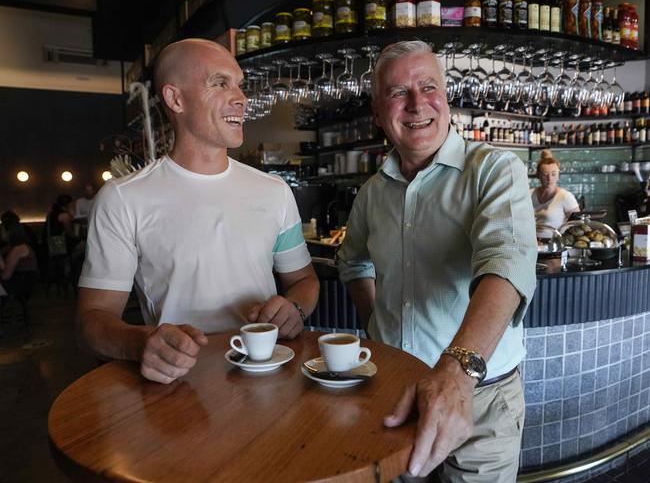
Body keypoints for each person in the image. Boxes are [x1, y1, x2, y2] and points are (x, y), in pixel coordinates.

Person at [337, 41, 537, 482]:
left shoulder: (494, 169)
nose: (416, 104)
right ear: (377, 111)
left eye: (429, 87)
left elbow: (507, 263)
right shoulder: (371, 194)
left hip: (482, 401)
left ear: (446, 98)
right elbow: (352, 264)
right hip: (397, 394)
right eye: (397, 92)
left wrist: (458, 371)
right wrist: (378, 330)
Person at [76, 38, 319, 384]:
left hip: (268, 380)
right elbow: (92, 320)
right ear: (176, 98)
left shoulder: (275, 192)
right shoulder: (122, 198)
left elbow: (303, 280)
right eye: (220, 83)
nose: (241, 98)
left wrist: (295, 308)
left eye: (239, 84)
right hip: (179, 389)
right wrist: (139, 342)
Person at [530, 149, 580, 229]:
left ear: (558, 175)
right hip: (530, 240)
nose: (549, 178)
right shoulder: (529, 194)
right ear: (538, 175)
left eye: (553, 174)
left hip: (554, 240)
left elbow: (577, 224)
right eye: (545, 174)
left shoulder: (565, 196)